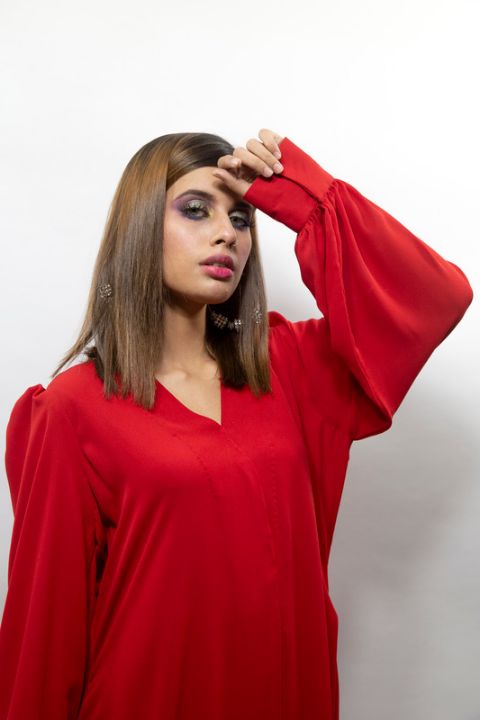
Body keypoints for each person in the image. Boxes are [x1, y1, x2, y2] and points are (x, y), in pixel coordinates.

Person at [0, 127, 473, 720]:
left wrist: (301, 195)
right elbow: (43, 639)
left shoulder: (290, 370)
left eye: (242, 217)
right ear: (140, 227)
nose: (227, 231)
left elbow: (436, 299)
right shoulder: (73, 409)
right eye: (196, 210)